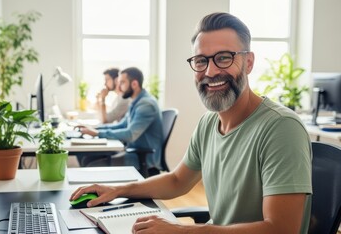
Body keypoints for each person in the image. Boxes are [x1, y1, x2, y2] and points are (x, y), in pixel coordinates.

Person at [70, 12, 312, 234]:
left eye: (224, 58)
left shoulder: (281, 128)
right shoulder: (209, 123)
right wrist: (119, 190)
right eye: (200, 61)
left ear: (248, 62)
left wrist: (182, 231)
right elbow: (177, 181)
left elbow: (281, 229)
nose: (210, 71)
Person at [77, 67, 164, 171]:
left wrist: (97, 133)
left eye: (122, 82)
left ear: (134, 84)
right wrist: (95, 129)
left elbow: (130, 134)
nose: (118, 86)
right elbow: (121, 125)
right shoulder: (136, 102)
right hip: (131, 152)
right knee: (87, 159)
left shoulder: (146, 105)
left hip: (141, 158)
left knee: (90, 165)